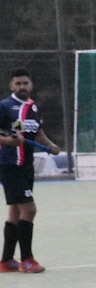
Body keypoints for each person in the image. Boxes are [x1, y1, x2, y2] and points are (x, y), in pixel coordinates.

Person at [0, 68, 60, 274]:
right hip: (10, 165)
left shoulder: (33, 107)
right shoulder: (5, 107)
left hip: (26, 165)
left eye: (25, 83)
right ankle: (27, 260)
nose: (22, 87)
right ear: (11, 86)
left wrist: (51, 145)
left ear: (31, 84)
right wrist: (9, 140)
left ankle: (6, 261)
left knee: (15, 211)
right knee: (29, 209)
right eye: (18, 83)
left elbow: (37, 132)